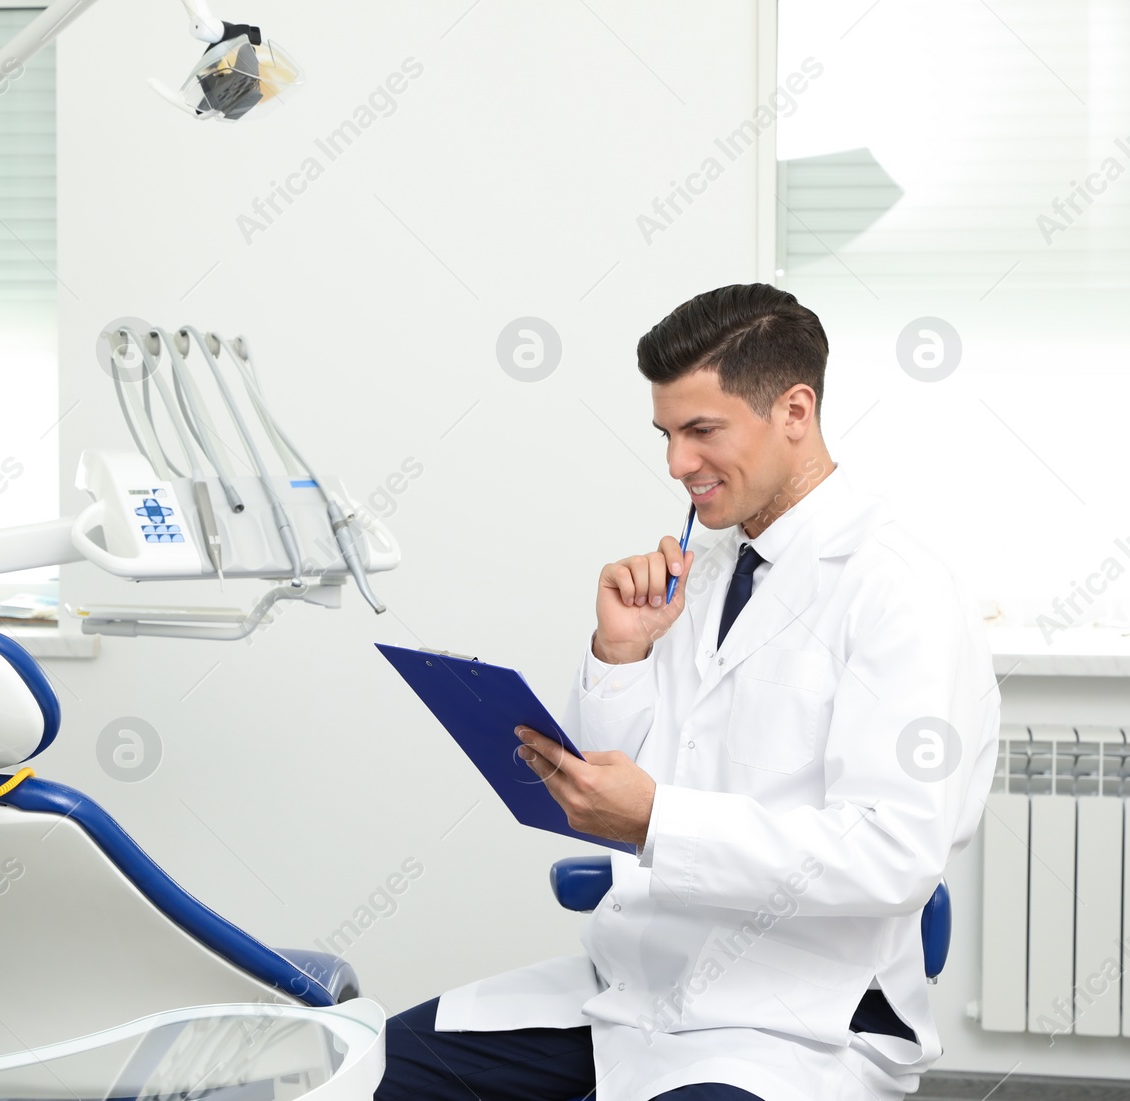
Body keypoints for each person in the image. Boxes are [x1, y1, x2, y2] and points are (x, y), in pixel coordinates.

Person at [374, 284, 1000, 1101]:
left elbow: (892, 857)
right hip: (640, 983)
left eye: (702, 431)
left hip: (799, 1015)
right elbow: (619, 775)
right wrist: (620, 654)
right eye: (668, 433)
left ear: (794, 410)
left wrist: (659, 820)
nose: (676, 463)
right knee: (397, 1062)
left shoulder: (898, 590)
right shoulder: (700, 574)